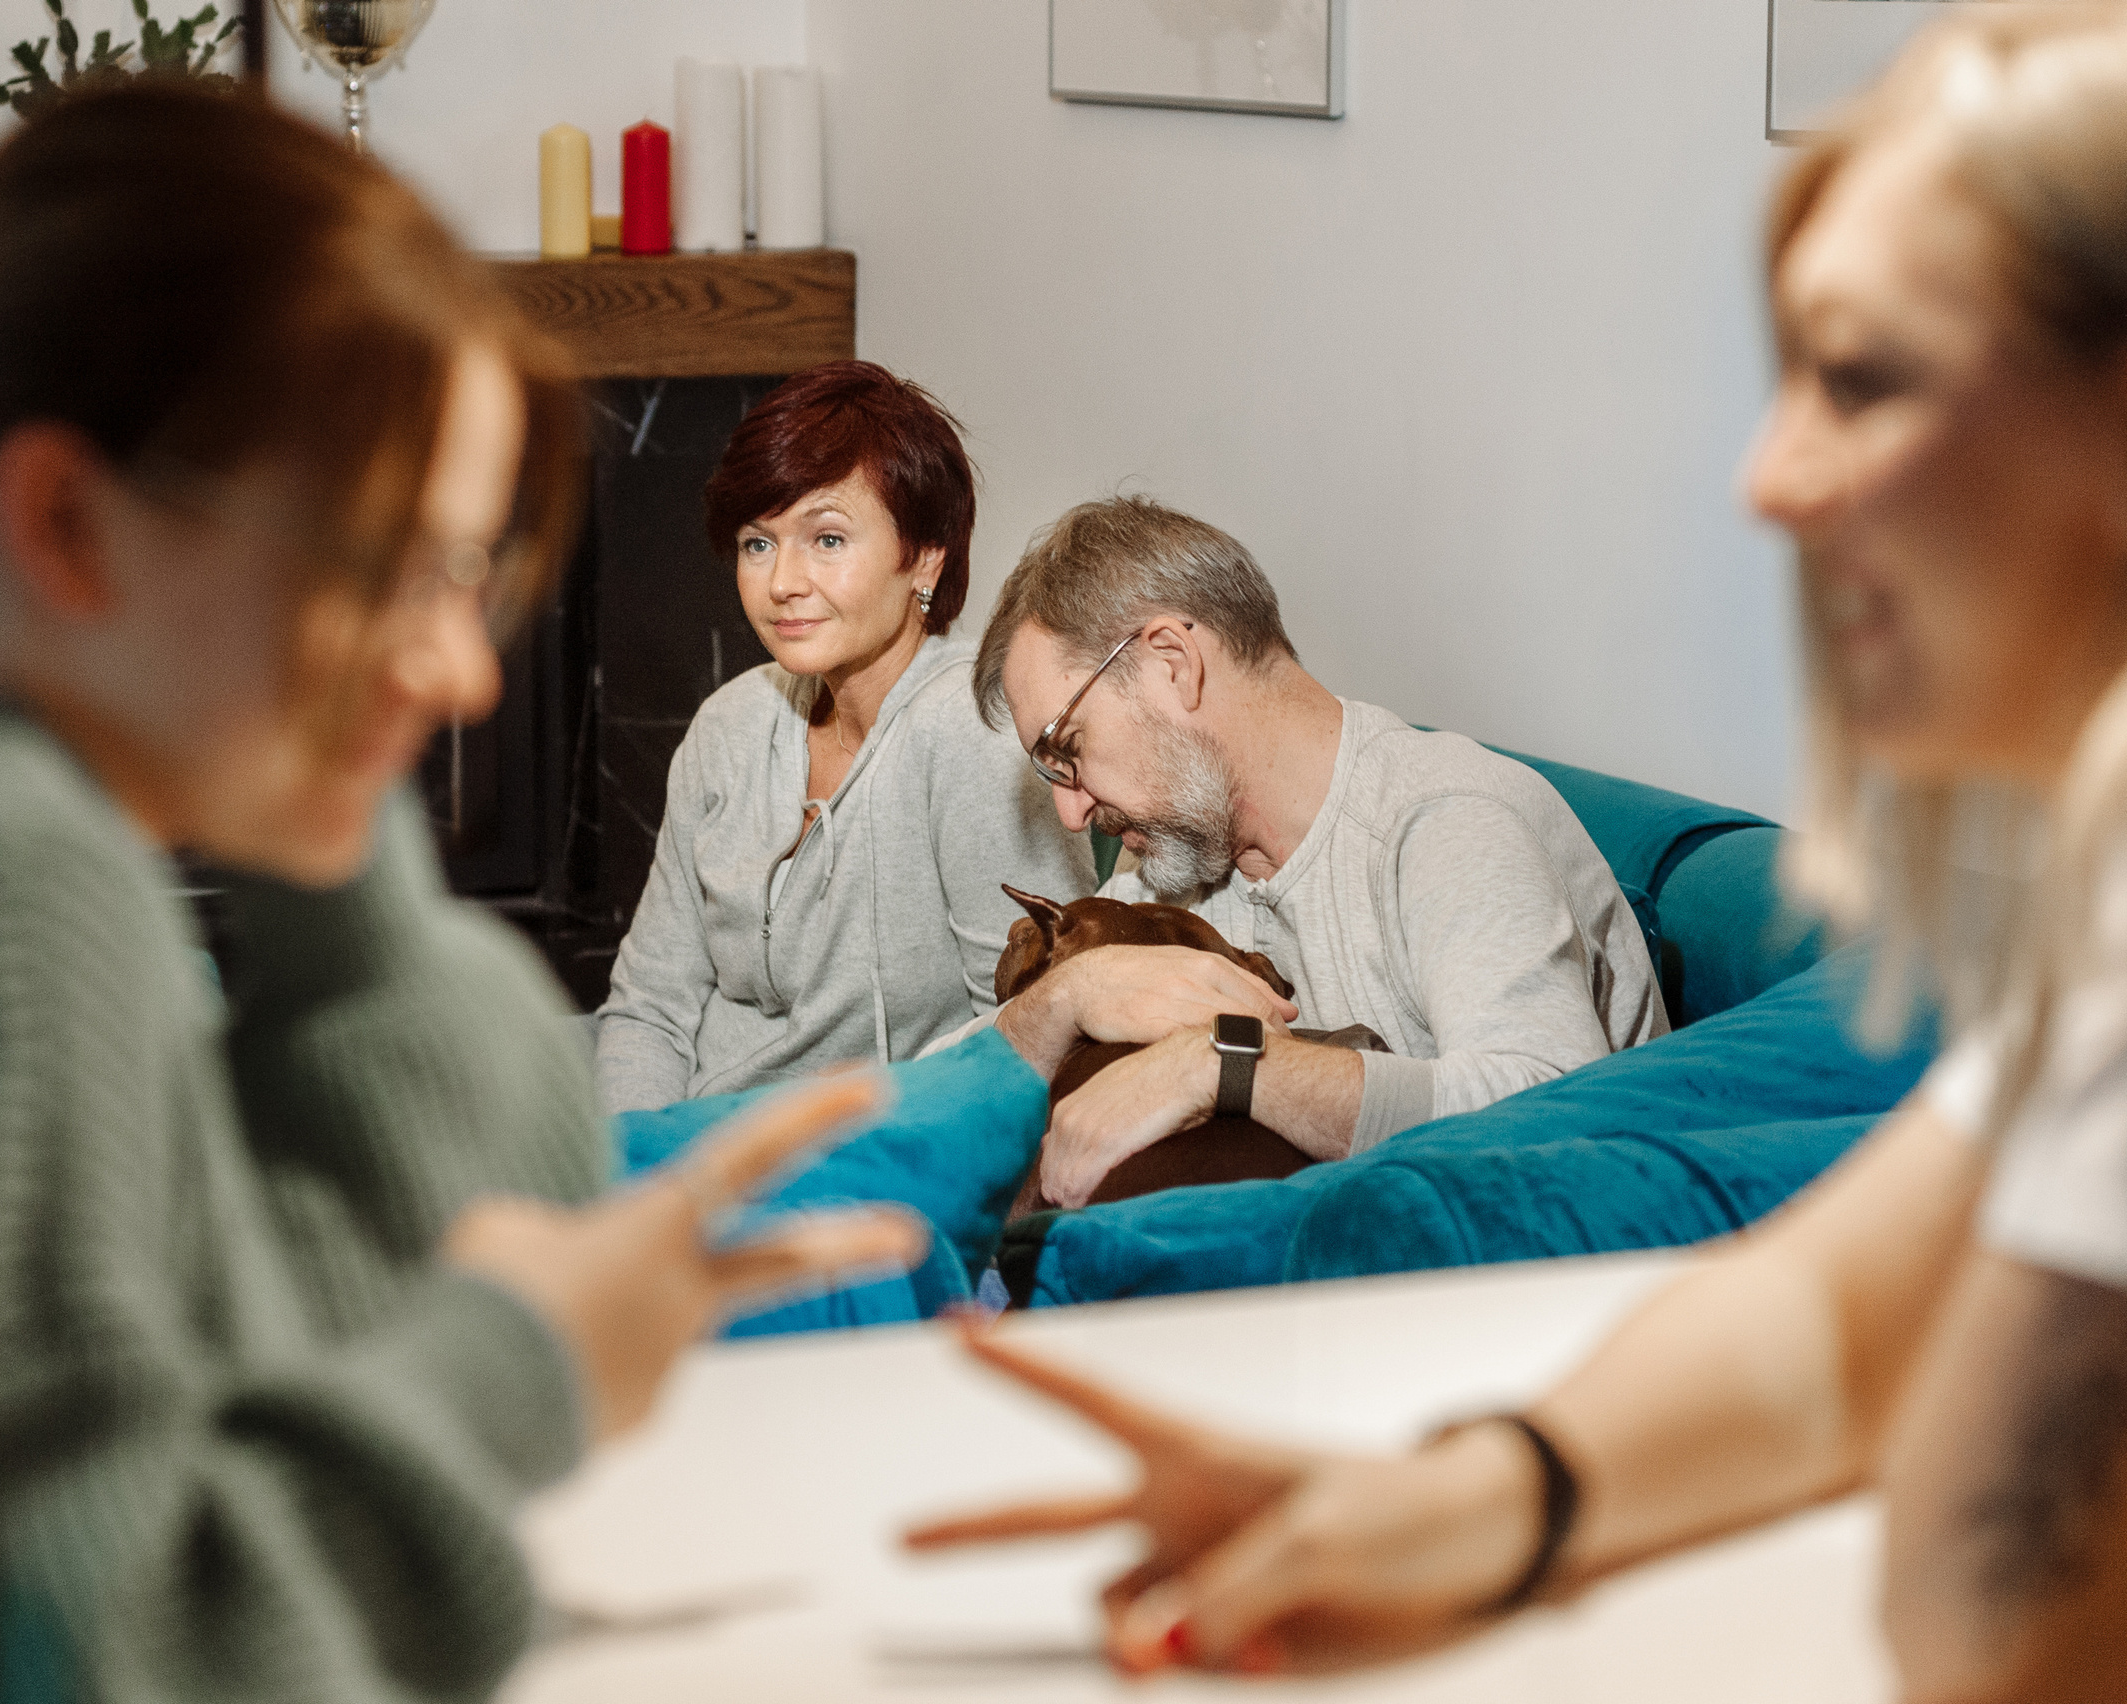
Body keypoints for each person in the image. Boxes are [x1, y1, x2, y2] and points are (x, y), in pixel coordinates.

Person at [0, 86, 923, 1700]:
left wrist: (330, 839)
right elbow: (125, 1664)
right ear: (66, 523)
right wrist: (520, 1360)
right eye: (381, 568)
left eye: (471, 576)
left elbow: (320, 1308)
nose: (460, 669)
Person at [909, 12, 2127, 1698]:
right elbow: (1830, 1313)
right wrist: (1465, 1496)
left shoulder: (1445, 817)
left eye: (1858, 378)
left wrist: (1230, 1066)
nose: (1765, 478)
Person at [953, 496, 1664, 1206]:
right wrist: (1070, 996)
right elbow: (932, 1096)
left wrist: (1229, 1066)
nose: (1071, 813)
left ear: (1172, 663)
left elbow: (1547, 1115)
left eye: (1068, 750)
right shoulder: (1175, 870)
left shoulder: (1443, 819)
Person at [594, 361, 1095, 1113]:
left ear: (924, 556)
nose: (782, 581)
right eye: (757, 543)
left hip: (864, 1166)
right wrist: (632, 1168)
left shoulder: (977, 733)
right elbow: (649, 1008)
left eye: (826, 539)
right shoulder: (728, 728)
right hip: (688, 1142)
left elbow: (1031, 1031)